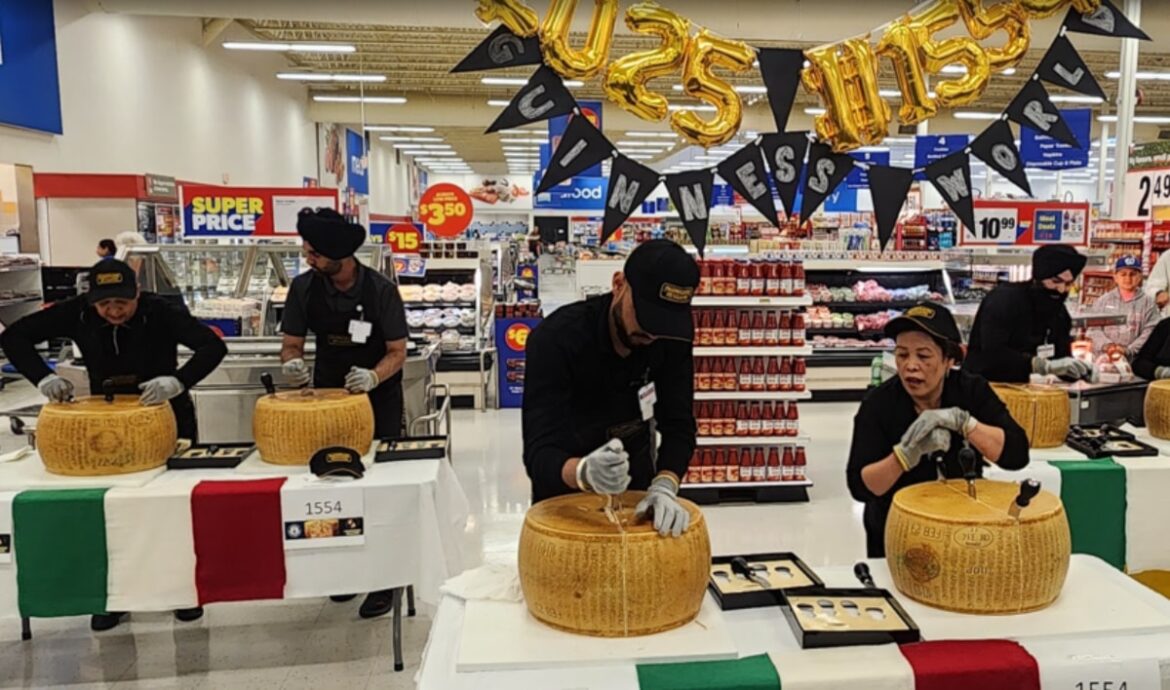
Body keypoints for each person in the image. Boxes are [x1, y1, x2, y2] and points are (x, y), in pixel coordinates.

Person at [0, 259, 227, 630]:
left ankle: (182, 593)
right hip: (103, 425)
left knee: (169, 509)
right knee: (110, 512)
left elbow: (211, 347)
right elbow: (13, 338)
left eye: (122, 303)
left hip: (166, 418)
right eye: (105, 305)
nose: (114, 311)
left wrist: (178, 381)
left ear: (137, 293)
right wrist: (43, 378)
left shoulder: (161, 311)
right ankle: (113, 597)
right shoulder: (78, 313)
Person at [279, 207, 408, 619]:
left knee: (379, 490)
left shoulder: (381, 291)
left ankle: (384, 579)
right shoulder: (303, 289)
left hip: (378, 401)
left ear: (339, 253)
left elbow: (397, 352)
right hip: (327, 400)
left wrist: (372, 377)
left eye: (314, 251)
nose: (307, 257)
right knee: (333, 488)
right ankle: (343, 571)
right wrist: (292, 363)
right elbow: (292, 343)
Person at [522, 239, 698, 538]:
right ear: (619, 284)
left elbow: (679, 425)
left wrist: (665, 485)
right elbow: (539, 453)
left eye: (664, 323)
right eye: (645, 317)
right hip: (563, 498)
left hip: (637, 495)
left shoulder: (670, 340)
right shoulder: (556, 339)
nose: (653, 333)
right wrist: (583, 472)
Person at [846, 302, 1030, 558]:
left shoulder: (971, 391)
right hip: (898, 531)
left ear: (949, 360)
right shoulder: (879, 404)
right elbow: (860, 487)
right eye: (901, 354)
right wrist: (904, 456)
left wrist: (966, 423)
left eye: (923, 355)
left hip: (964, 525)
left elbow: (1017, 454)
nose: (910, 365)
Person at [964, 244, 1092, 383]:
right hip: (983, 387)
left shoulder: (1059, 313)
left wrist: (1081, 371)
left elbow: (1060, 359)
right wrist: (1041, 365)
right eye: (1056, 281)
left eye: (1068, 284)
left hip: (1028, 391)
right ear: (1039, 277)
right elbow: (993, 353)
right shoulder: (1004, 299)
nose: (1061, 290)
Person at [1088, 255, 1160, 360]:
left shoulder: (1148, 303)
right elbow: (1093, 329)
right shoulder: (1103, 301)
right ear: (1115, 277)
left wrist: (1128, 350)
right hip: (1104, 359)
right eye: (1123, 274)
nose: (1128, 278)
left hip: (1135, 362)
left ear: (1140, 276)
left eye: (1133, 274)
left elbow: (1151, 331)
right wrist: (1108, 346)